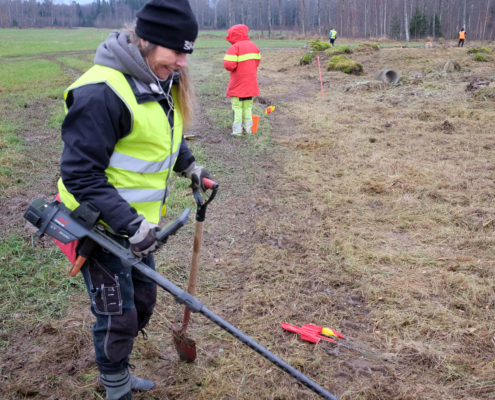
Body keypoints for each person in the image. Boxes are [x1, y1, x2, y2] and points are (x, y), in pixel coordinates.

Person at [56, 1, 212, 399]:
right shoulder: (101, 91)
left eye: (186, 52)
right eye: (175, 51)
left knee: (142, 300)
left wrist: (191, 168)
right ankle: (116, 387)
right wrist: (131, 226)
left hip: (136, 226)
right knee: (118, 316)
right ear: (145, 39)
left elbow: (161, 135)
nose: (181, 62)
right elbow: (79, 174)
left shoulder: (158, 80)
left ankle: (120, 370)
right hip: (100, 225)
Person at [223, 24, 261, 137]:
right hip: (251, 84)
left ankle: (237, 131)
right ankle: (248, 129)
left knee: (237, 107)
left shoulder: (234, 48)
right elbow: (257, 63)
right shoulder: (254, 46)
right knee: (248, 107)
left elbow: (229, 66)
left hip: (238, 85)